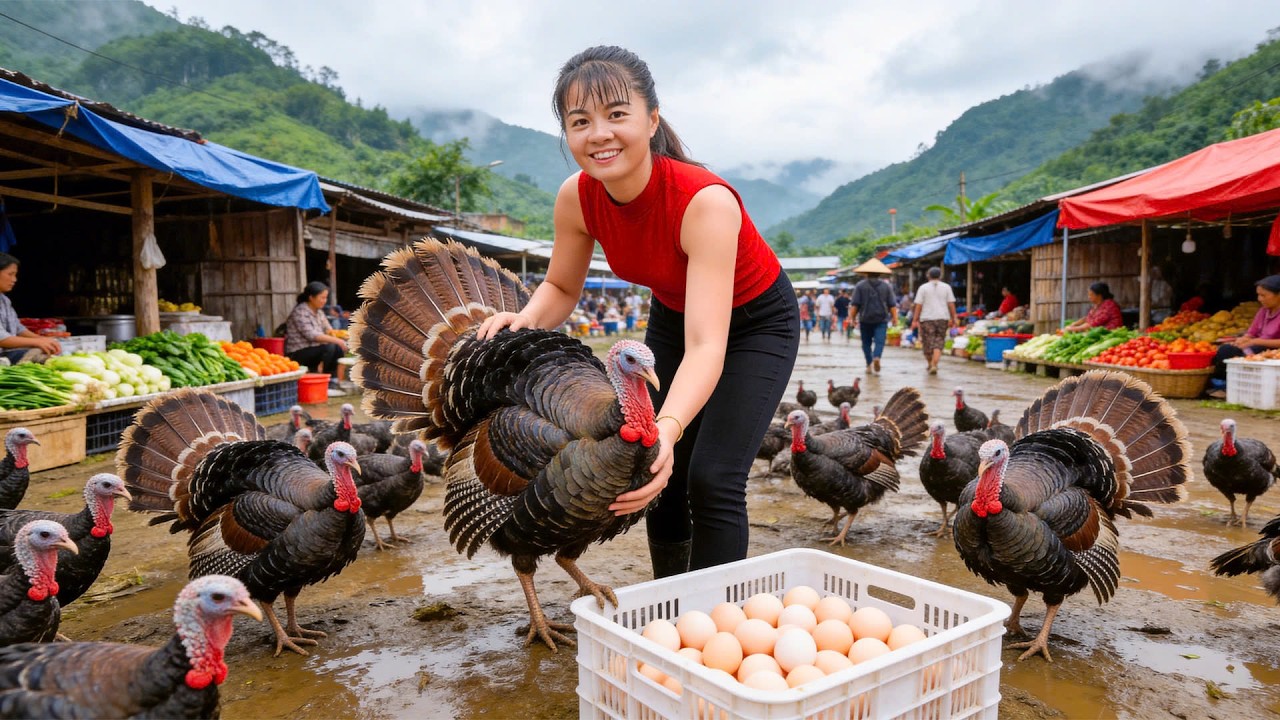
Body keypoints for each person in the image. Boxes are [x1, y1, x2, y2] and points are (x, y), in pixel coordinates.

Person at [476, 45, 800, 579]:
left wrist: (668, 428)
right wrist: (525, 318)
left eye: (616, 114)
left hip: (758, 323)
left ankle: (715, 620)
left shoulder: (705, 202)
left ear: (651, 120)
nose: (598, 134)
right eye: (579, 121)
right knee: (653, 468)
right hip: (675, 315)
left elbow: (708, 345)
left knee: (712, 476)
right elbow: (559, 285)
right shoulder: (577, 198)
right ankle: (672, 603)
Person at [1207, 274, 1280, 398]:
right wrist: (1243, 339)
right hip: (1257, 346)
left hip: (1273, 350)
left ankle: (1245, 390)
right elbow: (1251, 333)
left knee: (1248, 353)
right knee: (1226, 350)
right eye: (1258, 295)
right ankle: (1225, 387)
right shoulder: (1264, 311)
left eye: (1263, 295)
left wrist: (1255, 341)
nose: (1259, 299)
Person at [0, 252, 61, 364]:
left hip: (5, 354)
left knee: (44, 351)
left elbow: (18, 328)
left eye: (15, 275)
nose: (14, 279)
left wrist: (41, 339)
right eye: (10, 274)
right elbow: (2, 338)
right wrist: (37, 342)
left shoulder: (4, 300)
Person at [284, 281, 347, 384]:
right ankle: (327, 379)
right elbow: (312, 335)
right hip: (298, 353)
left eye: (325, 298)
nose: (324, 301)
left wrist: (340, 335)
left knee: (337, 346)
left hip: (314, 350)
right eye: (322, 298)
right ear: (311, 297)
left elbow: (328, 330)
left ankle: (333, 378)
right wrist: (337, 340)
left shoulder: (319, 312)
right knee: (331, 346)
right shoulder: (300, 312)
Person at [848, 258, 898, 375]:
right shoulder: (886, 286)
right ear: (880, 273)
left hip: (865, 319)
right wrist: (895, 318)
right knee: (880, 342)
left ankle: (869, 364)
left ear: (866, 273)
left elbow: (855, 304)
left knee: (866, 343)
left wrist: (852, 319)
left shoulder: (860, 286)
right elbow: (892, 305)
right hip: (881, 319)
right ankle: (877, 357)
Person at [910, 266, 958, 375]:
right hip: (942, 318)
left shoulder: (923, 288)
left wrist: (914, 319)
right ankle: (934, 364)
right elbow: (951, 304)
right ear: (940, 276)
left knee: (927, 343)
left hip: (926, 319)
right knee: (939, 341)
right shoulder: (946, 287)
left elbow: (918, 305)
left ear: (928, 275)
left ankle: (930, 363)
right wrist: (954, 317)